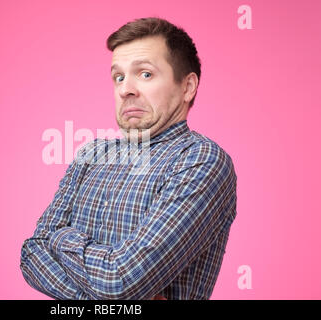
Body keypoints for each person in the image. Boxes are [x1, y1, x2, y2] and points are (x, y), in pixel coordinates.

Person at [20, 16, 237, 300]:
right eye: (118, 77)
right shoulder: (92, 155)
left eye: (145, 74)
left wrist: (59, 238)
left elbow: (121, 283)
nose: (125, 89)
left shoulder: (201, 160)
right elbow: (31, 254)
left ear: (187, 87)